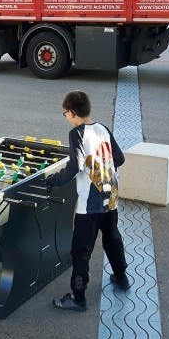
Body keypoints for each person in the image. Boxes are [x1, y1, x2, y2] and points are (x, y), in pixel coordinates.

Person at [45, 90, 129, 312]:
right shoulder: (102, 128)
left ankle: (78, 297)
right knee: (112, 239)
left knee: (81, 251)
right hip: (110, 198)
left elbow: (74, 167)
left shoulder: (77, 134)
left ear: (72, 112)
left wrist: (52, 180)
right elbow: (119, 158)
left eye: (65, 113)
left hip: (90, 205)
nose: (65, 117)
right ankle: (121, 277)